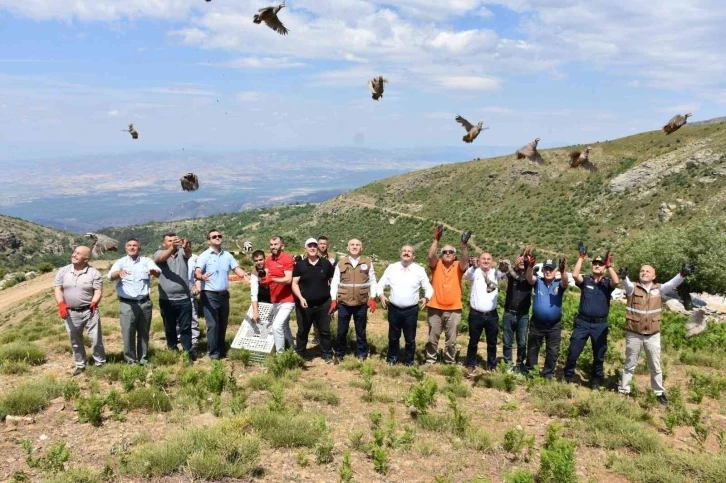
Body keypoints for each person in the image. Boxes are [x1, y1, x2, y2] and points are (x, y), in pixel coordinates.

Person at [618, 262, 695, 406]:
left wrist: (682, 274)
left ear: (654, 276)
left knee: (655, 365)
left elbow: (672, 283)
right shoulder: (632, 288)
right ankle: (624, 390)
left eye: (648, 271)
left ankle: (658, 392)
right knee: (629, 364)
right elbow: (627, 284)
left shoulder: (659, 289)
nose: (644, 273)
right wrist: (624, 277)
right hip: (634, 334)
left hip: (652, 335)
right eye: (642, 271)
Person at [563, 243, 620, 390]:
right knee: (573, 351)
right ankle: (567, 375)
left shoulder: (607, 284)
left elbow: (616, 281)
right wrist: (581, 257)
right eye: (595, 263)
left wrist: (609, 266)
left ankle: (595, 380)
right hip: (582, 323)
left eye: (600, 264)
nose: (597, 266)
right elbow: (574, 275)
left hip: (600, 325)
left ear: (604, 268)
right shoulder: (586, 281)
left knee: (599, 354)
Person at [195, 229, 250, 359]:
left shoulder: (227, 255)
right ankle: (214, 354)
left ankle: (221, 350)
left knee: (223, 324)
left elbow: (236, 268)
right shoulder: (204, 256)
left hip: (224, 295)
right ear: (208, 240)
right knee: (213, 325)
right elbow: (197, 271)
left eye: (219, 236)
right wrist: (201, 276)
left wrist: (244, 275)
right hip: (209, 295)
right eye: (214, 236)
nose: (217, 238)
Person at [377, 245, 433, 366]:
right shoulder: (392, 268)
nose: (406, 253)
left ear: (414, 256)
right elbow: (380, 284)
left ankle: (409, 362)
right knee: (393, 337)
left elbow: (428, 288)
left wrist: (426, 298)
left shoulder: (419, 270)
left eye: (409, 251)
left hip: (411, 311)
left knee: (410, 338)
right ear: (400, 254)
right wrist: (381, 295)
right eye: (404, 251)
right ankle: (392, 359)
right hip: (394, 309)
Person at [53, 246, 105, 376]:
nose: (74, 255)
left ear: (86, 259)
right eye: (74, 252)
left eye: (78, 254)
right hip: (70, 312)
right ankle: (80, 365)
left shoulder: (94, 273)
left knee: (95, 339)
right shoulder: (63, 271)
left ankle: (100, 363)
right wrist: (61, 304)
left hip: (90, 311)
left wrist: (95, 301)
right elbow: (58, 288)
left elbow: (98, 290)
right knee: (75, 340)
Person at [108, 238, 161, 365]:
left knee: (144, 332)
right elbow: (110, 276)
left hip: (145, 303)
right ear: (126, 248)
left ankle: (143, 359)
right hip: (127, 304)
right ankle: (130, 360)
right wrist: (119, 273)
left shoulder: (146, 261)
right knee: (128, 333)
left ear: (139, 248)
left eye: (135, 245)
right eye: (129, 245)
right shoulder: (120, 262)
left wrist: (153, 271)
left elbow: (158, 271)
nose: (132, 247)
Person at [425, 225, 470, 365]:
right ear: (441, 254)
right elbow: (430, 256)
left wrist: (464, 245)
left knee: (451, 340)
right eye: (445, 252)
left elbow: (466, 259)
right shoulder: (436, 265)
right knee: (432, 337)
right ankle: (430, 360)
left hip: (454, 309)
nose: (448, 253)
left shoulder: (458, 266)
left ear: (455, 255)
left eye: (451, 252)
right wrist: (436, 239)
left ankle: (449, 362)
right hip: (435, 307)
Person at [523, 249, 569, 379]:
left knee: (552, 350)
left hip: (554, 325)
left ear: (555, 271)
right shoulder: (538, 281)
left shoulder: (558, 284)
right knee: (533, 348)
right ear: (543, 270)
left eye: (551, 269)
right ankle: (530, 371)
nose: (548, 271)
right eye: (546, 269)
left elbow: (565, 282)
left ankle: (548, 373)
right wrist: (530, 266)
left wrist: (563, 272)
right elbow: (529, 278)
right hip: (537, 323)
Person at [330, 238, 377, 360]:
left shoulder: (368, 263)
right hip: (344, 303)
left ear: (361, 248)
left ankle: (361, 354)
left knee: (361, 331)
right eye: (352, 245)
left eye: (357, 245)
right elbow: (335, 282)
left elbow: (373, 281)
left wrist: (372, 298)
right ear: (347, 248)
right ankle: (339, 353)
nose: (354, 247)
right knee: (341, 331)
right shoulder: (341, 263)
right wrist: (333, 300)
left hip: (361, 303)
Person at [291, 238, 335, 362]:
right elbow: (294, 283)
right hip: (304, 305)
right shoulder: (300, 265)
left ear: (317, 248)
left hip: (323, 304)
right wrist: (300, 298)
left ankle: (327, 354)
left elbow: (333, 280)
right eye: (309, 246)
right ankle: (300, 353)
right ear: (305, 249)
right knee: (303, 330)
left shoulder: (325, 264)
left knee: (325, 330)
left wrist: (333, 298)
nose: (312, 248)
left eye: (314, 246)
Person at [464, 251, 507, 376]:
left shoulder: (495, 273)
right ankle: (471, 364)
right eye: (483, 259)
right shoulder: (475, 272)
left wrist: (505, 263)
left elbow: (505, 270)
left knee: (492, 342)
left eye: (488, 259)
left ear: (492, 261)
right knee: (473, 341)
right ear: (479, 260)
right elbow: (467, 275)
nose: (486, 261)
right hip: (476, 314)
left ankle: (491, 365)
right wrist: (473, 266)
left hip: (491, 315)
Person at [154, 232, 194, 360]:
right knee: (169, 328)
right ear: (164, 243)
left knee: (186, 328)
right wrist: (172, 247)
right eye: (169, 241)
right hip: (166, 300)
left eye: (174, 240)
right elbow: (161, 258)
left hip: (184, 299)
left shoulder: (182, 253)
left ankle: (187, 353)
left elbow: (188, 253)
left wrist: (186, 246)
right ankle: (172, 351)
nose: (172, 242)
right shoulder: (159, 253)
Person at [262, 236, 296, 352]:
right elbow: (266, 276)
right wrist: (262, 280)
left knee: (276, 326)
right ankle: (292, 350)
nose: (273, 247)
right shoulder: (268, 260)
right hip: (275, 299)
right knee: (284, 327)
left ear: (282, 246)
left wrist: (272, 279)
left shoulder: (287, 259)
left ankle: (280, 355)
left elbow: (288, 279)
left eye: (276, 244)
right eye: (271, 244)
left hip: (287, 300)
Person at [502, 252, 532, 372]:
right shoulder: (510, 273)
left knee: (522, 342)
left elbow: (526, 278)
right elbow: (501, 270)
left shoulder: (530, 275)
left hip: (523, 315)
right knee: (507, 342)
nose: (522, 261)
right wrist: (506, 264)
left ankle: (520, 365)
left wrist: (527, 264)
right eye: (520, 259)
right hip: (509, 313)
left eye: (525, 260)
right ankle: (507, 364)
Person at [183, 243, 201, 349]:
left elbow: (198, 274)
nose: (186, 247)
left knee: (193, 315)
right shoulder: (177, 258)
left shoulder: (195, 258)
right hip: (179, 291)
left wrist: (197, 286)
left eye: (188, 245)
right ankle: (180, 337)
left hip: (190, 289)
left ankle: (195, 339)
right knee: (179, 317)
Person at [249, 249, 271, 323]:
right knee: (263, 321)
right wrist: (255, 312)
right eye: (256, 261)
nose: (258, 262)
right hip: (262, 297)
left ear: (265, 259)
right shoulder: (254, 272)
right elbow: (253, 292)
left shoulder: (271, 267)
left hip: (275, 296)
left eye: (261, 260)